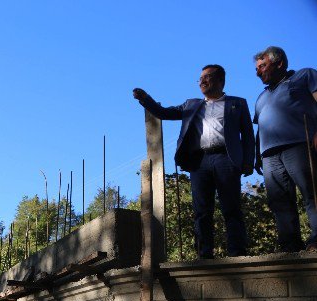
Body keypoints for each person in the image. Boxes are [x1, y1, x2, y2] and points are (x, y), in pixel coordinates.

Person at [133, 64, 255, 259]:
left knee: (231, 207)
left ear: (221, 80)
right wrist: (145, 99)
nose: (202, 81)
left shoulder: (237, 103)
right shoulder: (192, 104)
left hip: (226, 159)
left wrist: (248, 161)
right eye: (200, 79)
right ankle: (204, 254)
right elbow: (164, 113)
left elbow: (248, 135)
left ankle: (237, 252)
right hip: (200, 162)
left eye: (207, 77)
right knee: (202, 210)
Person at [253, 46, 317, 252]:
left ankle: (316, 239)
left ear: (279, 63)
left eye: (263, 66)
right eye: (257, 68)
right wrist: (257, 154)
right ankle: (289, 245)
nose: (258, 71)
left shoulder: (303, 76)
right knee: (279, 201)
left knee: (311, 192)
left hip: (300, 143)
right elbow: (261, 126)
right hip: (269, 154)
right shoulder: (261, 97)